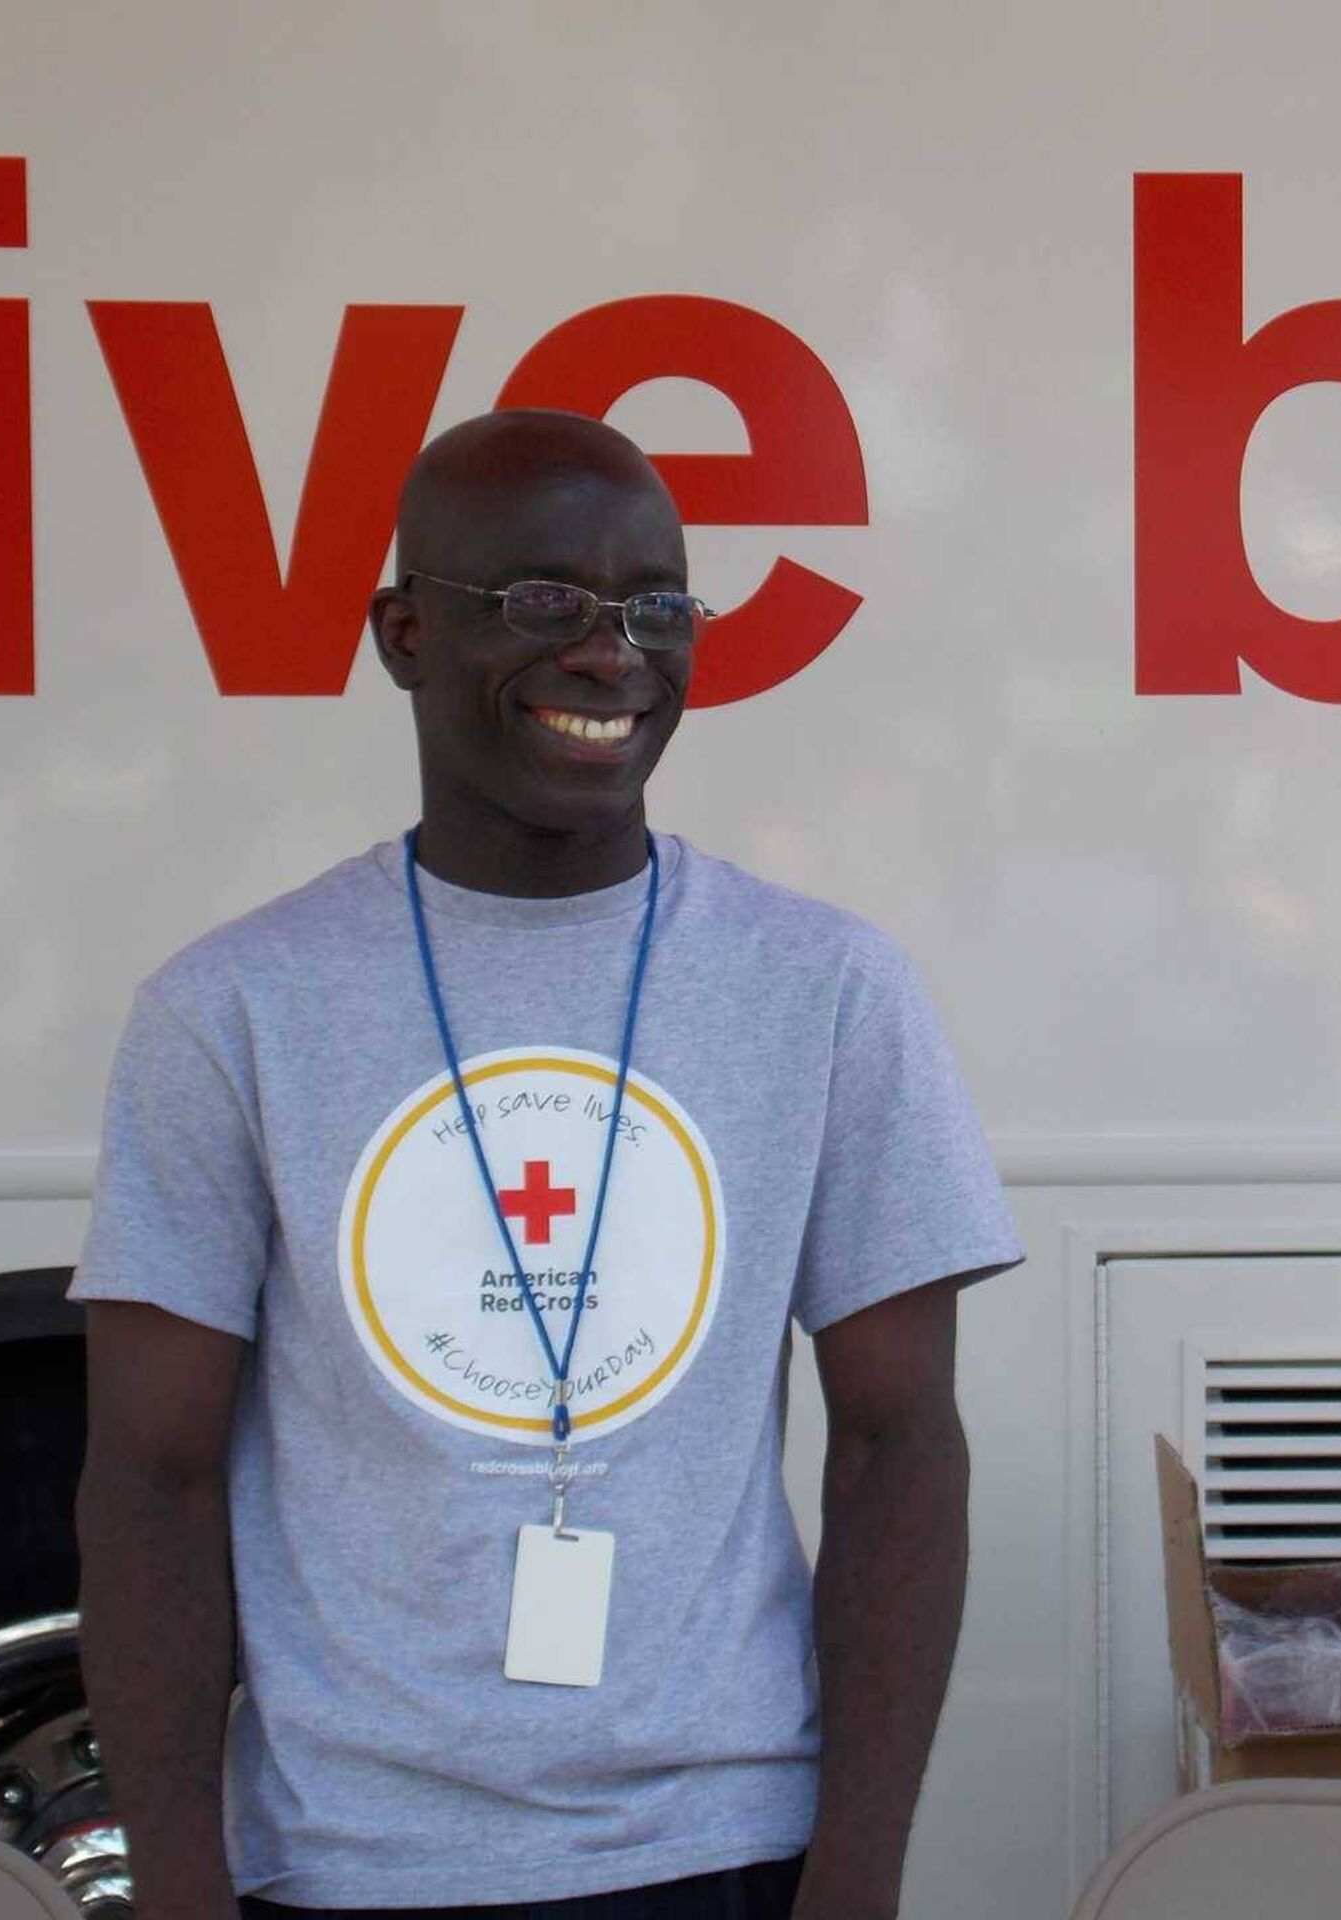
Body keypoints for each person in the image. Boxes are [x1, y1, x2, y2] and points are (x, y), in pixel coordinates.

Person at [71, 408, 1022, 1920]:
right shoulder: (232, 1008)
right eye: (541, 604)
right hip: (350, 1866)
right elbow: (150, 1473)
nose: (609, 653)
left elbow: (901, 1445)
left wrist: (855, 1877)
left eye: (655, 606)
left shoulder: (827, 989)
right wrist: (181, 1888)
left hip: (721, 1853)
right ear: (401, 635)